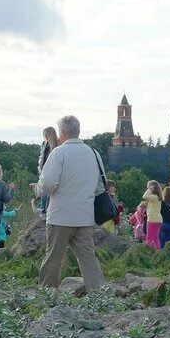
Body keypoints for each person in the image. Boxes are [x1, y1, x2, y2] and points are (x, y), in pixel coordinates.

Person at [35, 115, 106, 290]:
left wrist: (37, 189)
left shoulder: (58, 153)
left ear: (63, 132)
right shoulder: (93, 153)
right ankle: (99, 295)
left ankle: (48, 295)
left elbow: (48, 184)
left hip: (60, 216)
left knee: (53, 259)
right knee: (88, 259)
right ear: (78, 131)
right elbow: (100, 187)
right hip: (85, 216)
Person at [38, 127, 59, 217]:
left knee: (51, 190)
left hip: (52, 169)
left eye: (46, 134)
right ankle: (44, 210)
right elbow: (42, 158)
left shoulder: (57, 144)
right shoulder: (44, 144)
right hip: (44, 170)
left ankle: (49, 209)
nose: (44, 136)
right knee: (44, 190)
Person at [141, 180, 163, 250]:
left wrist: (149, 190)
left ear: (153, 187)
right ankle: (158, 253)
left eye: (149, 186)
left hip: (152, 219)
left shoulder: (154, 196)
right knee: (156, 238)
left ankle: (149, 253)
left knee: (149, 238)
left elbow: (144, 196)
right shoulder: (157, 197)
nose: (147, 188)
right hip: (158, 219)